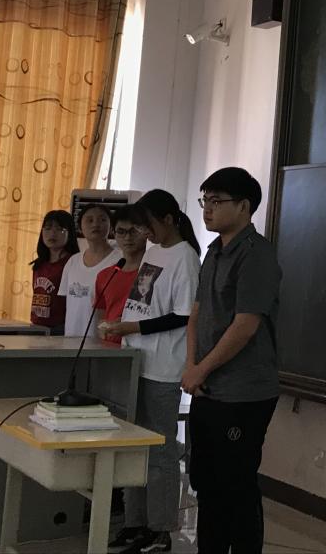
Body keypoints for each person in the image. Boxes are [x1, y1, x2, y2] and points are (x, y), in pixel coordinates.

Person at [182, 167, 281, 554]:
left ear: (244, 206)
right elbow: (196, 315)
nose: (207, 208)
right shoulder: (213, 252)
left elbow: (245, 326)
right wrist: (192, 368)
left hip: (244, 393)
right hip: (208, 388)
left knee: (235, 484)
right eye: (204, 200)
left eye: (216, 201)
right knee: (205, 482)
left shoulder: (256, 255)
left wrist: (201, 369)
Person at [105, 190, 200, 554]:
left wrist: (134, 328)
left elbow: (183, 315)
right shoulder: (154, 252)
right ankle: (134, 523)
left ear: (169, 219)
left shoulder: (185, 257)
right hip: (135, 361)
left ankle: (159, 530)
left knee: (159, 451)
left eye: (148, 226)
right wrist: (126, 326)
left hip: (162, 368)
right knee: (132, 447)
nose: (145, 233)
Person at [58, 204, 121, 339]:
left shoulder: (120, 261)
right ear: (80, 227)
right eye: (89, 220)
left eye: (102, 220)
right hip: (71, 338)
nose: (96, 224)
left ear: (111, 226)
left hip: (103, 340)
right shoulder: (73, 261)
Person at [94, 205, 148, 345]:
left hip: (142, 345)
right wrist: (104, 328)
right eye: (121, 231)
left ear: (145, 231)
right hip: (110, 347)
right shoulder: (105, 276)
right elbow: (101, 317)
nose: (128, 237)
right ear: (114, 233)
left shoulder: (154, 273)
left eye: (134, 231)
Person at [29, 210, 79, 333]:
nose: (52, 233)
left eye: (59, 229)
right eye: (47, 228)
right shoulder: (39, 264)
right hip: (36, 325)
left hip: (60, 328)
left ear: (70, 233)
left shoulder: (73, 263)